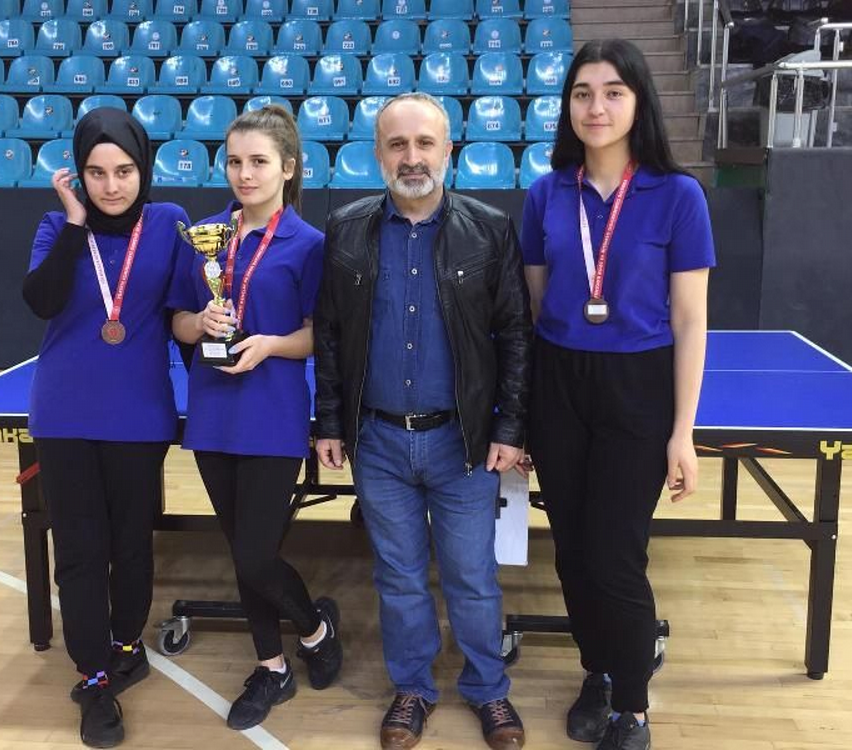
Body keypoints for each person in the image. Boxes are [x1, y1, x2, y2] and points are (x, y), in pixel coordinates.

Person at [312, 92, 533, 750]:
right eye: (397, 145)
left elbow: (515, 335)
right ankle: (412, 688)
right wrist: (329, 421)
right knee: (399, 579)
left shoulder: (489, 230)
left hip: (462, 443)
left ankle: (487, 689)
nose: (412, 157)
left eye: (424, 143)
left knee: (472, 577)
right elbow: (329, 333)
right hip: (377, 442)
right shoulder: (346, 228)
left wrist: (510, 429)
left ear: (448, 150)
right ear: (378, 154)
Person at [519, 39, 716, 750]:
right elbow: (537, 310)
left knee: (615, 553)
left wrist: (682, 432)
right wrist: (525, 416)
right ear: (567, 106)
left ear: (638, 102)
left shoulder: (678, 196)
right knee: (572, 550)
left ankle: (633, 706)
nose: (595, 107)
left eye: (612, 92)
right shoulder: (546, 194)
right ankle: (598, 671)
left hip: (639, 386)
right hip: (561, 385)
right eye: (582, 93)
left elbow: (690, 321)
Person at [22, 108, 192, 748]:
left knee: (132, 544)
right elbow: (42, 300)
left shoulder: (170, 223)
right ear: (79, 176)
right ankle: (93, 679)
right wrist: (74, 222)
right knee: (80, 551)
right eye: (96, 173)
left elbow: (186, 309)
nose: (111, 185)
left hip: (139, 414)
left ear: (142, 169)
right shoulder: (55, 227)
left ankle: (126, 645)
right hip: (64, 415)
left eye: (124, 170)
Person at [171, 105, 340, 731]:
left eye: (259, 162)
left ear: (287, 168)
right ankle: (273, 665)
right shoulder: (203, 236)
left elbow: (320, 334)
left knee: (254, 552)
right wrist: (200, 322)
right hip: (212, 410)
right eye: (235, 161)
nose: (245, 173)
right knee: (243, 549)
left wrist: (269, 344)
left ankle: (316, 629)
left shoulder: (310, 245)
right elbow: (177, 321)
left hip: (273, 412)